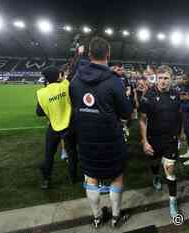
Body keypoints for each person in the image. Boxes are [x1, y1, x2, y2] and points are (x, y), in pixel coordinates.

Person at [69, 36, 133, 228]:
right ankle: (115, 217)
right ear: (108, 54)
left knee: (91, 177)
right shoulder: (114, 81)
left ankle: (97, 217)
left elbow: (75, 105)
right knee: (116, 176)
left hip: (86, 139)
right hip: (111, 139)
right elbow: (126, 113)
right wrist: (127, 98)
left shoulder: (75, 80)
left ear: (89, 55)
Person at [139, 65, 182, 218]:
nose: (162, 81)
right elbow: (143, 120)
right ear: (156, 78)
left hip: (170, 140)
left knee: (170, 170)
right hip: (153, 139)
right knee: (155, 163)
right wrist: (144, 141)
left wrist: (180, 135)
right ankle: (156, 176)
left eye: (166, 78)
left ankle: (172, 201)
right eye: (160, 78)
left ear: (171, 80)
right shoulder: (148, 95)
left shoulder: (176, 95)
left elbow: (179, 116)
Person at [36, 66, 78, 189]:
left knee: (49, 154)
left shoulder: (41, 93)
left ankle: (46, 180)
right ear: (58, 76)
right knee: (72, 153)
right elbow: (72, 73)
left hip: (53, 126)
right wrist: (79, 54)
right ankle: (73, 177)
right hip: (69, 126)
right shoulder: (66, 85)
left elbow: (39, 112)